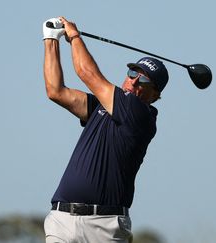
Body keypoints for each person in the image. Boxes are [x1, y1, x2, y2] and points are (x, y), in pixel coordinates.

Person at [42, 16, 169, 243]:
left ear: (155, 96)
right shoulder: (102, 108)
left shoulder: (140, 116)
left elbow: (87, 73)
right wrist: (51, 39)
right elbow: (56, 91)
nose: (133, 83)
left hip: (106, 227)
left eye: (144, 82)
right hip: (62, 219)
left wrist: (74, 36)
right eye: (132, 74)